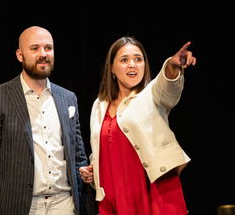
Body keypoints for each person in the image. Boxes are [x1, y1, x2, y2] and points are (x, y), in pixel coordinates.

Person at [0, 26, 89, 215]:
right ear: (20, 55)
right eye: (34, 48)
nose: (43, 54)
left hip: (65, 204)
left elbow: (78, 155)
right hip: (22, 206)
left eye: (48, 48)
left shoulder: (68, 98)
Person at [79, 36, 197, 215]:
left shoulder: (152, 95)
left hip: (153, 194)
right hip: (113, 198)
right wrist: (94, 170)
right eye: (124, 60)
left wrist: (172, 67)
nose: (132, 64)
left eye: (138, 59)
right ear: (111, 68)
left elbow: (167, 86)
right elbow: (103, 148)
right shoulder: (100, 104)